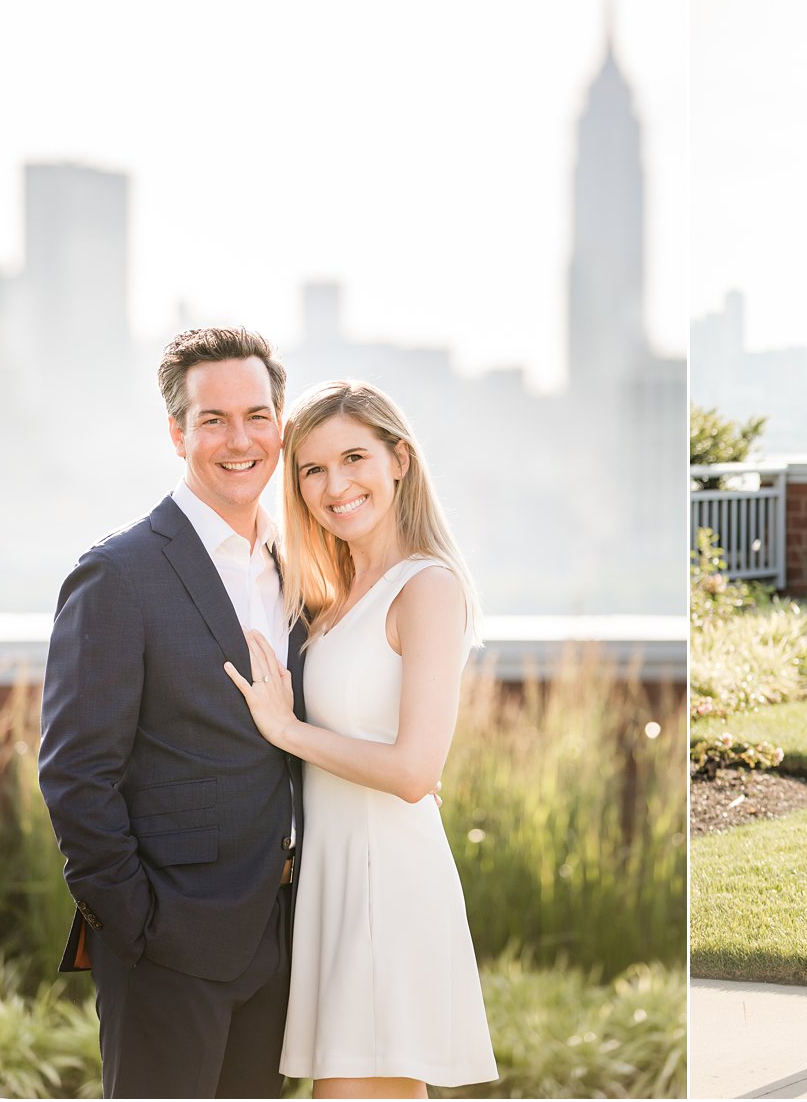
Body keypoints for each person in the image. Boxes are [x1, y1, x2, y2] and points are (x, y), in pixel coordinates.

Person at [40, 327, 304, 1097]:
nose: (238, 438)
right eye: (213, 419)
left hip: (281, 938)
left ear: (280, 423)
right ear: (177, 432)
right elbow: (76, 776)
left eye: (256, 415)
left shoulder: (294, 566)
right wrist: (140, 928)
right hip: (168, 949)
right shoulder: (117, 574)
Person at [224, 379, 497, 1098]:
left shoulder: (427, 587)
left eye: (354, 458)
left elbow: (414, 770)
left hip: (388, 884)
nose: (334, 485)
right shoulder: (333, 594)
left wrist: (288, 730)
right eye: (312, 469)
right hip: (335, 880)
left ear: (398, 459)